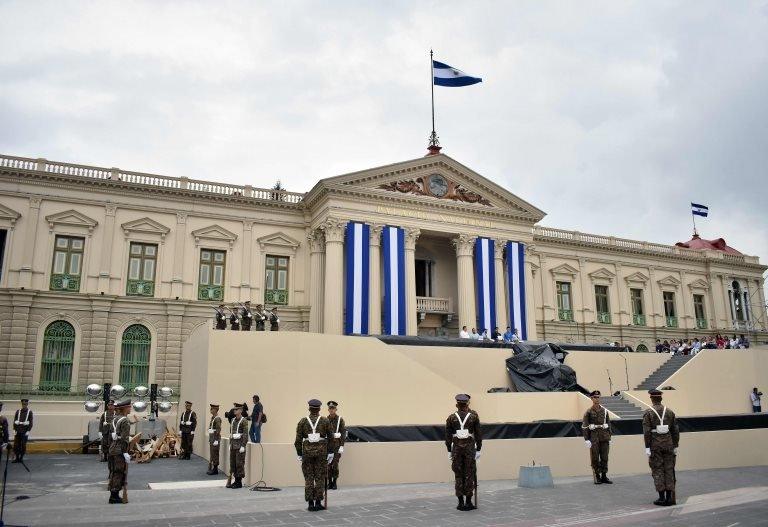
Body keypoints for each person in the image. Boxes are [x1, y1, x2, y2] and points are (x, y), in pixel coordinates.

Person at [642, 389, 680, 506]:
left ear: (652, 399)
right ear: (661, 398)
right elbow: (675, 430)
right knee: (669, 469)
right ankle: (669, 497)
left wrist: (647, 447)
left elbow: (647, 431)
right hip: (668, 444)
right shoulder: (669, 412)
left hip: (655, 446)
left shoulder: (648, 413)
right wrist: (675, 445)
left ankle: (661, 498)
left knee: (658, 469)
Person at [445, 393, 482, 512]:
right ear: (467, 404)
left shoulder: (451, 418)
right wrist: (479, 448)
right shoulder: (473, 417)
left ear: (457, 404)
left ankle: (460, 503)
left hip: (456, 449)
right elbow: (478, 434)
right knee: (469, 474)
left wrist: (449, 450)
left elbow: (447, 437)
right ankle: (468, 502)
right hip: (470, 449)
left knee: (458, 475)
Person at [294, 399, 331, 511]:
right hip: (321, 453)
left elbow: (297, 440)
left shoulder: (302, 421)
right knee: (320, 477)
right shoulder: (325, 421)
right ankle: (318, 502)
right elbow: (331, 438)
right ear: (319, 409)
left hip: (307, 453)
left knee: (309, 477)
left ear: (309, 408)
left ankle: (310, 504)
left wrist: (299, 453)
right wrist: (331, 452)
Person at [582, 390, 612, 484]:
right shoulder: (588, 412)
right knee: (595, 457)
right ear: (591, 398)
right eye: (595, 397)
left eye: (598, 397)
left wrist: (610, 437)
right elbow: (585, 426)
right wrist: (586, 439)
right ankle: (597, 476)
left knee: (604, 457)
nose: (597, 399)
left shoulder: (605, 411)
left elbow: (609, 424)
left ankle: (604, 475)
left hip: (604, 436)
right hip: (594, 437)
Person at [108, 399, 132, 504]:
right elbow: (124, 438)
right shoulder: (125, 420)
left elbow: (111, 436)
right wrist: (125, 452)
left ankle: (113, 494)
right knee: (119, 472)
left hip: (112, 449)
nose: (130, 408)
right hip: (119, 451)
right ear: (125, 408)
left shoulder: (115, 419)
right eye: (129, 407)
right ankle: (114, 496)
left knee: (113, 472)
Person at [227, 403, 249, 489]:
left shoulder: (244, 421)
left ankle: (239, 482)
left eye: (236, 409)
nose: (234, 410)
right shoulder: (232, 420)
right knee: (233, 464)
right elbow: (231, 433)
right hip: (233, 446)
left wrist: (243, 445)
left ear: (240, 410)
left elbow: (245, 434)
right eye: (234, 409)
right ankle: (235, 480)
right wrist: (230, 444)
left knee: (239, 464)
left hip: (240, 446)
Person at [326, 400, 346, 490]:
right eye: (330, 408)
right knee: (328, 465)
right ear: (328, 409)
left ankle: (334, 482)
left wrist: (342, 445)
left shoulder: (340, 420)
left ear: (336, 409)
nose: (331, 410)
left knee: (335, 465)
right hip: (327, 446)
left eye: (333, 408)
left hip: (336, 446)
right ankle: (329, 482)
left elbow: (343, 433)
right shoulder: (325, 420)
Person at [12, 398, 33, 463]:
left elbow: (31, 422)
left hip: (24, 431)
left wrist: (28, 431)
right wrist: (14, 429)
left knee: (23, 445)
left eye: (25, 404)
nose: (24, 405)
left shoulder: (29, 412)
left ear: (27, 404)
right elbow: (15, 421)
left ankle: (21, 458)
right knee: (16, 445)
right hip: (18, 430)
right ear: (21, 404)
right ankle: (17, 458)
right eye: (23, 404)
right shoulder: (18, 411)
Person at [207, 403, 222, 475]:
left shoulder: (217, 419)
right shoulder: (213, 418)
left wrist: (216, 440)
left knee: (215, 454)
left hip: (215, 439)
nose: (210, 410)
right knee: (212, 454)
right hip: (212, 438)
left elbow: (218, 429)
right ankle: (213, 467)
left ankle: (215, 469)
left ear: (215, 410)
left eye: (212, 409)